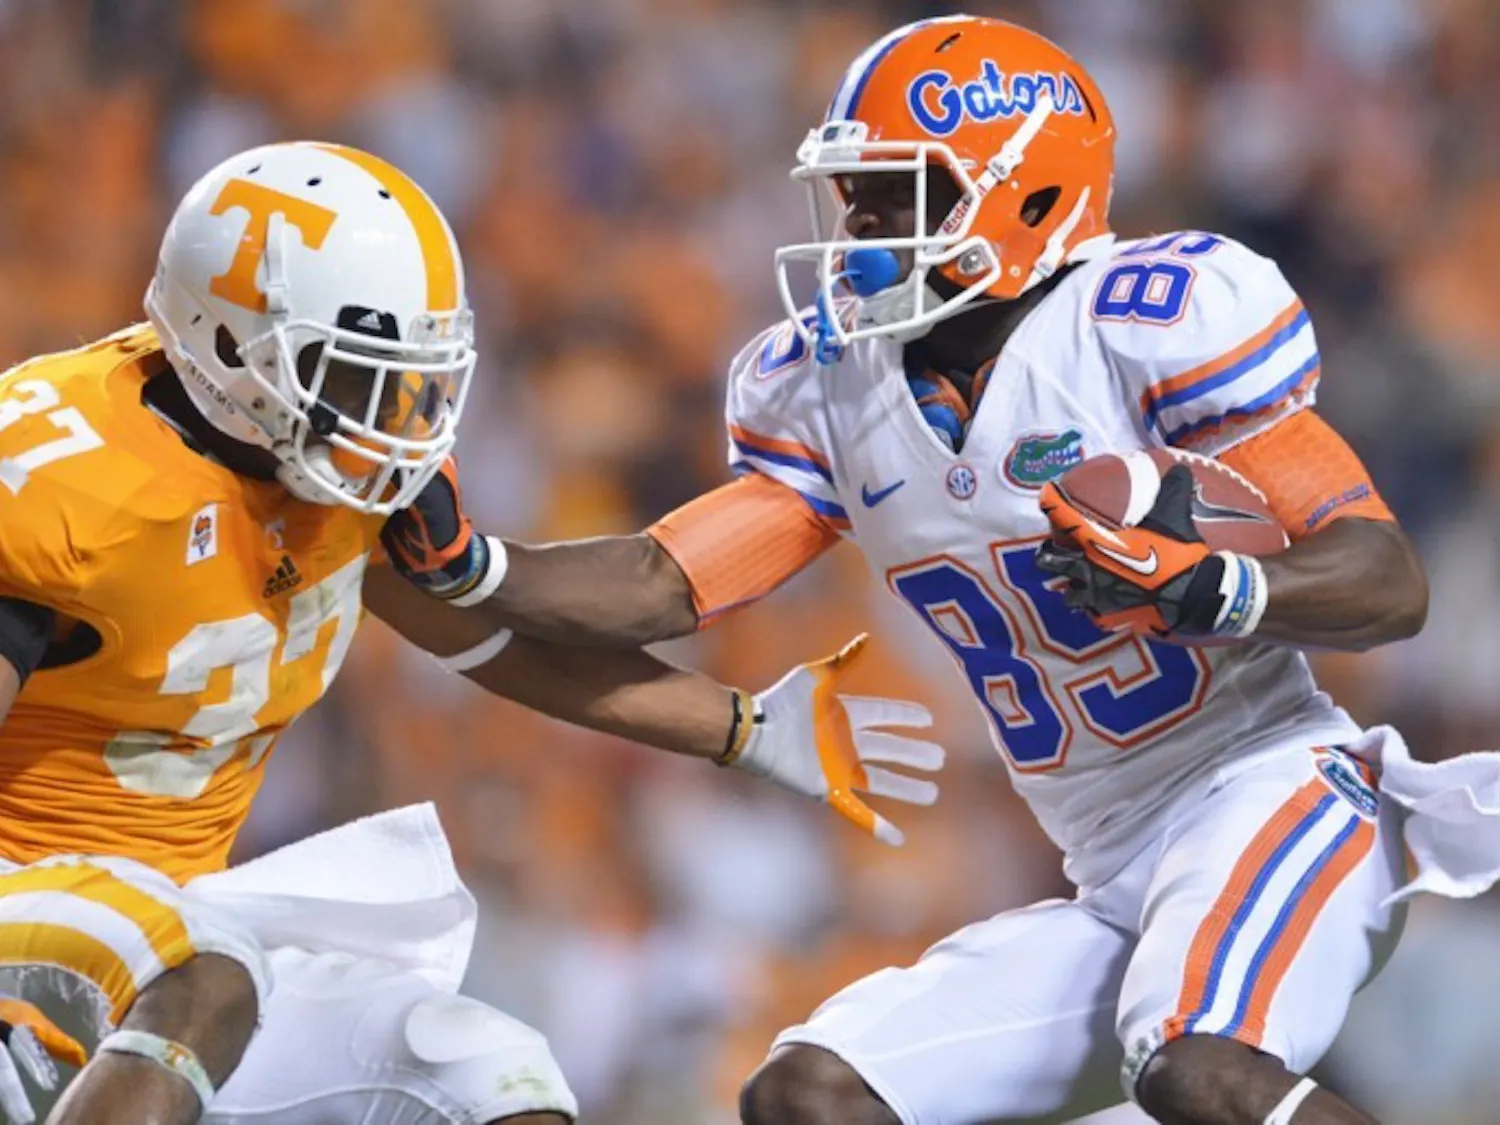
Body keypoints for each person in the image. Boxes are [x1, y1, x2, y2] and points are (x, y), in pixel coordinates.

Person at [396, 15, 1500, 1125]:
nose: (861, 230)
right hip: (1107, 866)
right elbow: (661, 582)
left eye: (901, 196)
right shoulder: (836, 388)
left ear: (1031, 193)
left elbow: (1385, 579)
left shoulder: (1136, 325)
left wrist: (1213, 587)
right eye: (856, 198)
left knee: (1200, 1071)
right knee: (811, 1096)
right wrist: (471, 565)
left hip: (1274, 787)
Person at [0, 140, 942, 1125]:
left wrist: (742, 727)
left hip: (183, 917)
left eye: (409, 376)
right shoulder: (62, 482)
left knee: (493, 1073)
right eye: (357, 374)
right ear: (234, 347)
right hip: (33, 900)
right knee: (204, 975)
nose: (393, 415)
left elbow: (491, 642)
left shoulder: (329, 466)